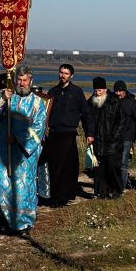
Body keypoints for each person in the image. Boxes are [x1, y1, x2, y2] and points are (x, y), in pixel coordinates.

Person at [0, 65, 47, 235]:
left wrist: (18, 138)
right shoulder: (9, 98)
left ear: (31, 81)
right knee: (3, 186)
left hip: (23, 155)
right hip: (4, 152)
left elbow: (38, 129)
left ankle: (23, 223)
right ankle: (5, 220)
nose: (21, 83)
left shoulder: (37, 103)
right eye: (19, 80)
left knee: (22, 188)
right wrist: (2, 99)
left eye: (24, 80)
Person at [46, 64, 94, 206]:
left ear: (71, 75)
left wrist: (89, 133)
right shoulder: (53, 91)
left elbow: (86, 115)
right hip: (54, 133)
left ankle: (64, 196)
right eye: (61, 72)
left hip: (68, 132)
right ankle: (54, 195)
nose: (63, 75)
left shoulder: (77, 92)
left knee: (66, 166)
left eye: (66, 73)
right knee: (53, 166)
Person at [87, 77, 126, 199]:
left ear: (105, 89)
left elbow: (122, 121)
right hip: (98, 141)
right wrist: (90, 134)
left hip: (112, 142)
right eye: (95, 91)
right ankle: (103, 192)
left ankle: (117, 190)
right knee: (100, 169)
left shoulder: (114, 102)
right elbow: (88, 120)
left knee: (113, 167)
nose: (97, 93)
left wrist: (114, 136)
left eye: (99, 90)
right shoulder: (91, 102)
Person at [113, 80, 136, 190]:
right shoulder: (112, 102)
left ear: (125, 91)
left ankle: (121, 186)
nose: (118, 93)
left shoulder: (131, 104)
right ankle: (116, 183)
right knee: (114, 161)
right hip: (114, 137)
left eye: (120, 91)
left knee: (123, 161)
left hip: (127, 136)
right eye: (116, 91)